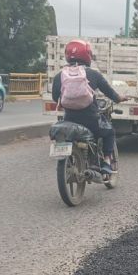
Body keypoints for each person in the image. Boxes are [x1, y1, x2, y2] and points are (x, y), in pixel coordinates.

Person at [51, 39, 125, 174]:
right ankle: (107, 161)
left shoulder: (60, 76)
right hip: (91, 120)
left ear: (67, 55)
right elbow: (110, 93)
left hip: (69, 119)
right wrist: (119, 99)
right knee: (109, 132)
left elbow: (56, 98)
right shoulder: (93, 74)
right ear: (87, 55)